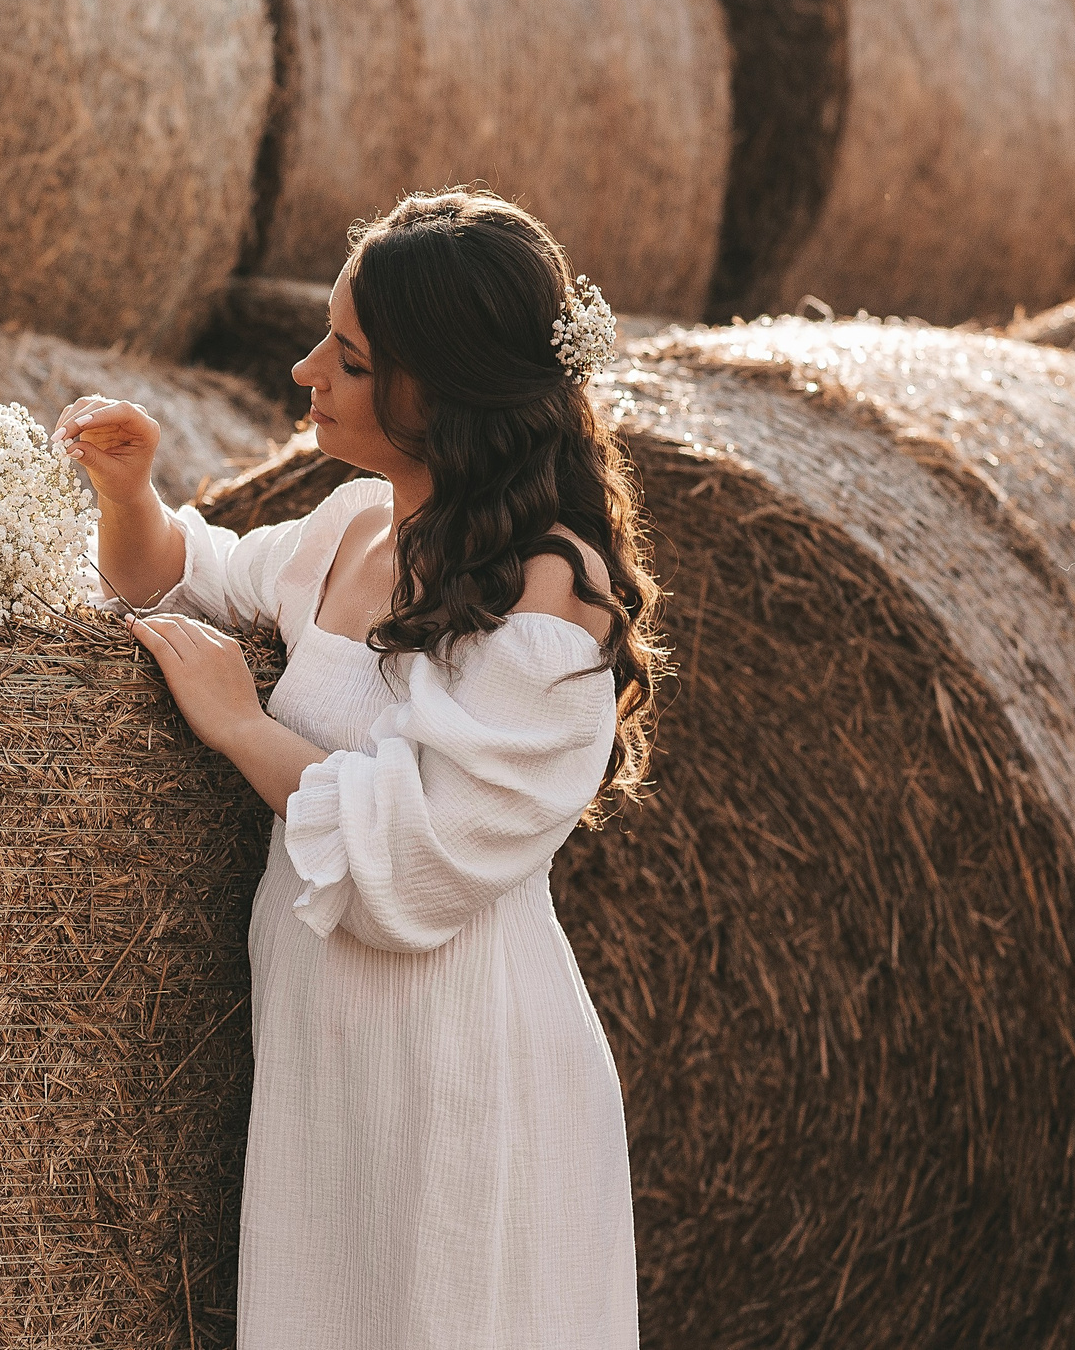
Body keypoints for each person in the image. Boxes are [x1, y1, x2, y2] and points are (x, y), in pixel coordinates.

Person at [56, 190, 656, 1350]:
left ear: (445, 386)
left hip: (455, 1066)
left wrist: (240, 724)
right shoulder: (353, 527)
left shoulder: (552, 605)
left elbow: (421, 857)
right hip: (328, 1060)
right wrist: (129, 495)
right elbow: (180, 575)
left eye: (349, 355)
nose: (303, 370)